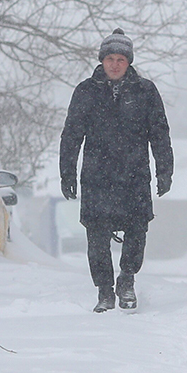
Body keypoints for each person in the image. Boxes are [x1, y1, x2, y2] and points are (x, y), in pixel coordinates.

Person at [60, 28, 174, 312]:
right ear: (102, 60)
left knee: (137, 230)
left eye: (120, 59)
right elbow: (71, 135)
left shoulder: (145, 92)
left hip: (134, 176)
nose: (114, 64)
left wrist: (164, 170)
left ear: (129, 62)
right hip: (97, 177)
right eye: (110, 58)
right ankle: (104, 290)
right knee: (96, 235)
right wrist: (67, 173)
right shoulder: (86, 91)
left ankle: (127, 280)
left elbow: (159, 133)